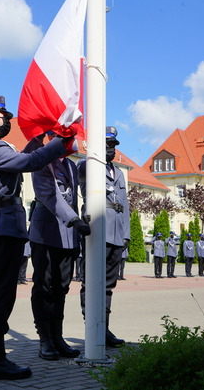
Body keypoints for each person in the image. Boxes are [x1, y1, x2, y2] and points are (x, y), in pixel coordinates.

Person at [0, 95, 71, 381]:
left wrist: (41, 138)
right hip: (3, 228)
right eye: (4, 116)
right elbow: (32, 162)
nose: (8, 121)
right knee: (0, 296)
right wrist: (61, 141)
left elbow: (24, 156)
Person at [29, 131, 90, 360]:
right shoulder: (41, 160)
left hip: (67, 235)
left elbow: (75, 196)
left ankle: (57, 337)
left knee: (61, 287)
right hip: (45, 233)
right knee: (44, 286)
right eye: (62, 136)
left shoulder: (72, 167)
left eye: (69, 137)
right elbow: (49, 194)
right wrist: (74, 219)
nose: (67, 142)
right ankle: (44, 339)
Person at [77, 126, 130, 347]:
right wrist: (92, 154)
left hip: (116, 234)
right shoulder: (87, 166)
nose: (111, 149)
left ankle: (104, 328)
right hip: (98, 231)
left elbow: (124, 205)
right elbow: (83, 173)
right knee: (91, 283)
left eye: (113, 146)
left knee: (108, 286)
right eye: (107, 145)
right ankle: (93, 328)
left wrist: (126, 235)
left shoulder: (118, 172)